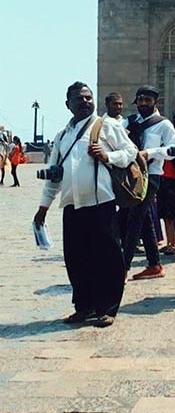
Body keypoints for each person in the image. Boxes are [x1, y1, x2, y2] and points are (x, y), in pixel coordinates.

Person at [33, 82, 137, 327]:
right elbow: (55, 175)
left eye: (89, 97)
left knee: (107, 258)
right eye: (79, 98)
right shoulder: (62, 135)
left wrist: (107, 156)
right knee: (77, 260)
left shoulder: (106, 126)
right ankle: (84, 306)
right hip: (72, 205)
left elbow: (130, 152)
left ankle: (107, 308)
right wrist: (43, 207)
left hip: (101, 203)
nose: (85, 102)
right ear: (68, 104)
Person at [123, 86, 175, 280]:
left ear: (156, 101)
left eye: (147, 100)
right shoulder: (129, 123)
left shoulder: (163, 125)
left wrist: (151, 153)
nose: (143, 104)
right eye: (140, 100)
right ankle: (154, 265)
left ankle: (123, 267)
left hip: (152, 175)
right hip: (130, 175)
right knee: (144, 218)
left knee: (134, 218)